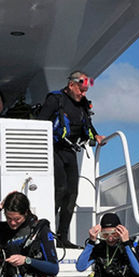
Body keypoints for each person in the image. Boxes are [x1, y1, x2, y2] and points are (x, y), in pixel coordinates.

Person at [38, 71, 105, 248]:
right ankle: (46, 233)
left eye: (85, 91)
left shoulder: (82, 103)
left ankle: (62, 237)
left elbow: (88, 124)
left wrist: (96, 135)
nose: (83, 94)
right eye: (81, 90)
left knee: (72, 193)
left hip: (70, 150)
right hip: (54, 148)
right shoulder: (56, 99)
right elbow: (41, 122)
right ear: (71, 85)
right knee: (60, 189)